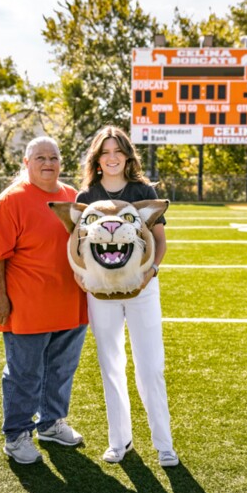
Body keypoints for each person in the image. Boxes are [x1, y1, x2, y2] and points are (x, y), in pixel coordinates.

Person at [0, 136, 88, 465]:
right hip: (27, 305)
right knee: (24, 374)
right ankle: (16, 436)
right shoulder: (11, 200)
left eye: (53, 157)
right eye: (40, 157)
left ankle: (52, 424)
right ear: (26, 164)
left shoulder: (72, 197)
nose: (48, 163)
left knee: (61, 369)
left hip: (71, 303)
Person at [76, 125, 178, 467]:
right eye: (105, 152)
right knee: (111, 365)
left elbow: (160, 240)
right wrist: (83, 277)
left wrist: (151, 271)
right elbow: (77, 246)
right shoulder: (86, 196)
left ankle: (164, 443)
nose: (112, 157)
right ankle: (119, 441)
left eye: (117, 150)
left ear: (127, 154)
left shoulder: (142, 189)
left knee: (150, 368)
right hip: (102, 294)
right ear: (97, 159)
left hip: (142, 289)